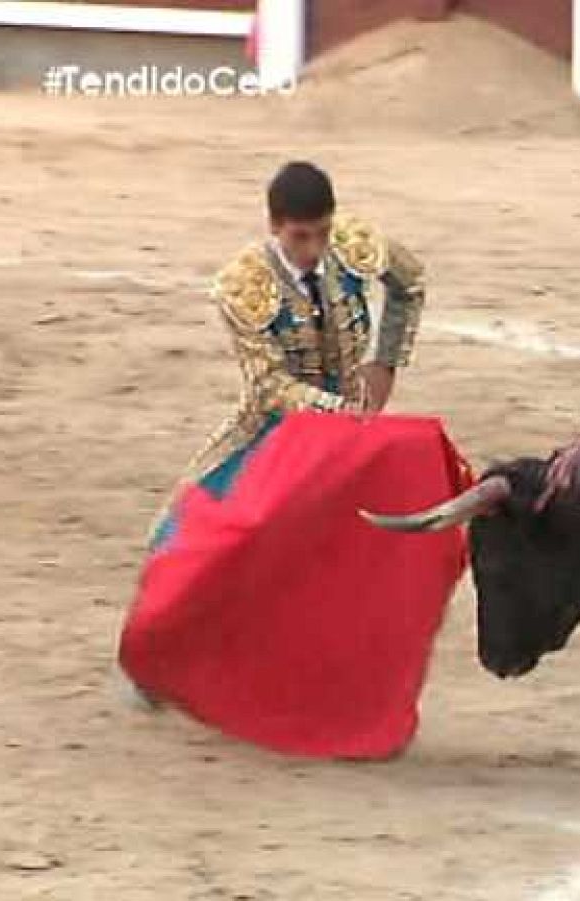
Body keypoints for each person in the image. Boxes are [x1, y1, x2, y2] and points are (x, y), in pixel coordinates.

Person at [117, 160, 428, 709]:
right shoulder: (242, 286)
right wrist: (343, 408)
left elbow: (410, 283)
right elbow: (269, 385)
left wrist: (386, 363)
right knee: (184, 528)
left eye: (322, 233)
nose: (314, 249)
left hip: (350, 429)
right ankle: (157, 656)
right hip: (276, 427)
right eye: (301, 237)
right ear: (275, 227)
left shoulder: (353, 243)